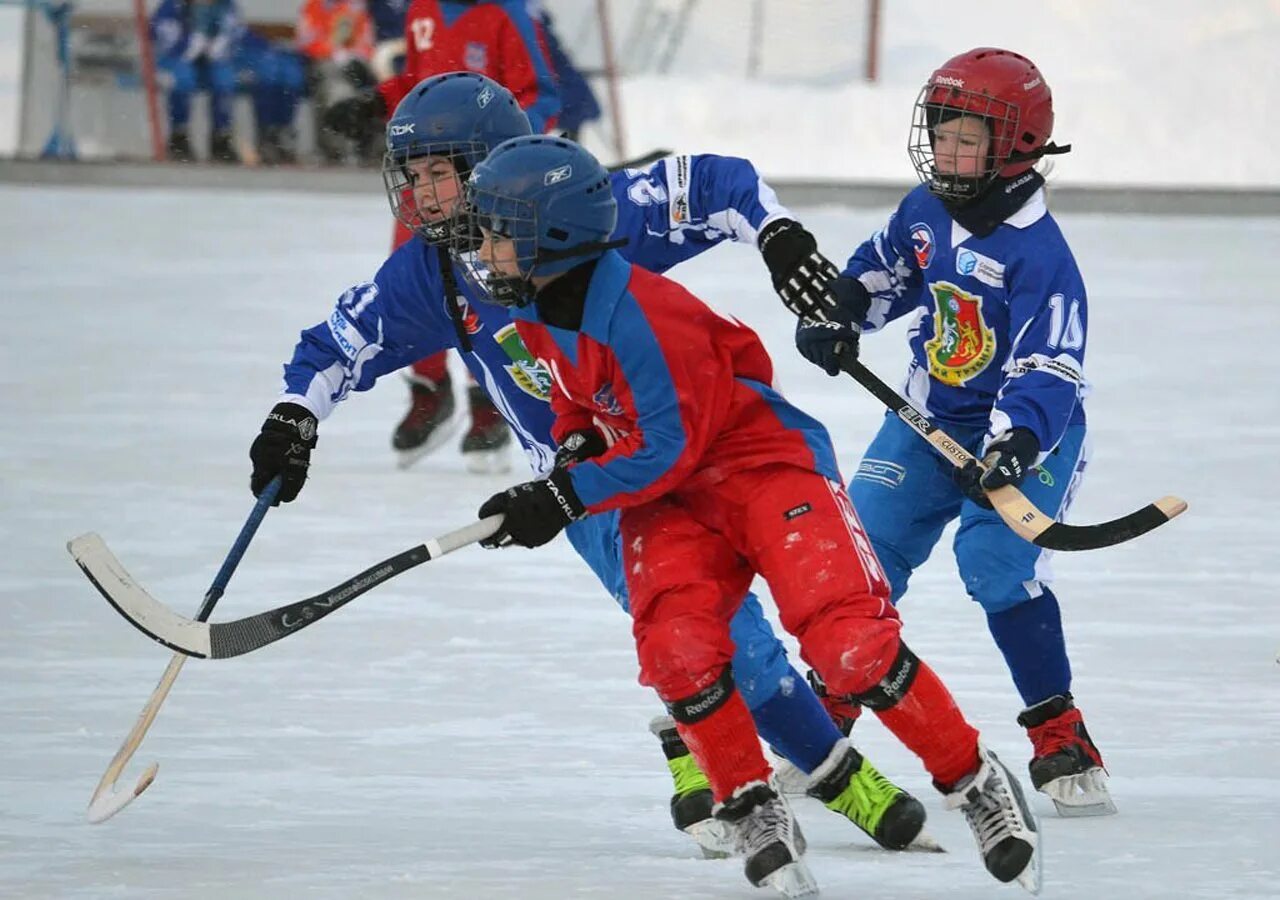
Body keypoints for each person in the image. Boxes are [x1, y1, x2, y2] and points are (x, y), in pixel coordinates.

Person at [248, 72, 931, 861]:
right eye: (414, 176)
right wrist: (293, 418)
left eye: (442, 172)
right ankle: (839, 776)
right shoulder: (430, 274)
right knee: (725, 640)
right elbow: (335, 345)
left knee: (802, 603)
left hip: (701, 448)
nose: (424, 196)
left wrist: (776, 235)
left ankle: (698, 742)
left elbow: (716, 183)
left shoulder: (569, 206)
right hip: (589, 489)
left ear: (492, 163)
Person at [462, 134, 1041, 896]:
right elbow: (575, 397)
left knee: (848, 645)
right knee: (676, 647)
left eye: (498, 232)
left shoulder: (645, 315)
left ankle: (974, 781)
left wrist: (561, 497)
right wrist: (571, 446)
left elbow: (666, 448)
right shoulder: (536, 305)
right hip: (670, 499)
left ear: (555, 237)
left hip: (760, 469)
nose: (483, 249)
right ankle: (751, 806)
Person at [793, 47, 1113, 818]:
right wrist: (841, 310)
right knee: (858, 560)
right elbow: (886, 270)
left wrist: (1011, 442)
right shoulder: (925, 209)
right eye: (942, 131)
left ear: (1018, 147)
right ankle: (825, 714)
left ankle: (1059, 729)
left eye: (969, 137)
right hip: (927, 422)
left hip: (1032, 435)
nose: (948, 150)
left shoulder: (1041, 256)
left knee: (995, 565)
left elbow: (1048, 364)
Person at [320, 0, 564, 472]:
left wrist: (508, 154)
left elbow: (542, 95)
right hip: (427, 174)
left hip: (489, 179)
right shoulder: (423, 9)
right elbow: (422, 84)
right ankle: (430, 386)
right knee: (414, 279)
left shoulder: (506, 13)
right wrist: (377, 102)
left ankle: (489, 398)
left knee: (490, 284)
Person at [296, 0, 378, 164]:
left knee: (359, 86)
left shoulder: (357, 6)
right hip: (323, 64)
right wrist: (334, 53)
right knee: (337, 91)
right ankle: (339, 150)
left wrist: (352, 55)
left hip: (354, 66)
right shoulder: (314, 5)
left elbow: (367, 40)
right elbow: (306, 40)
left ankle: (363, 148)